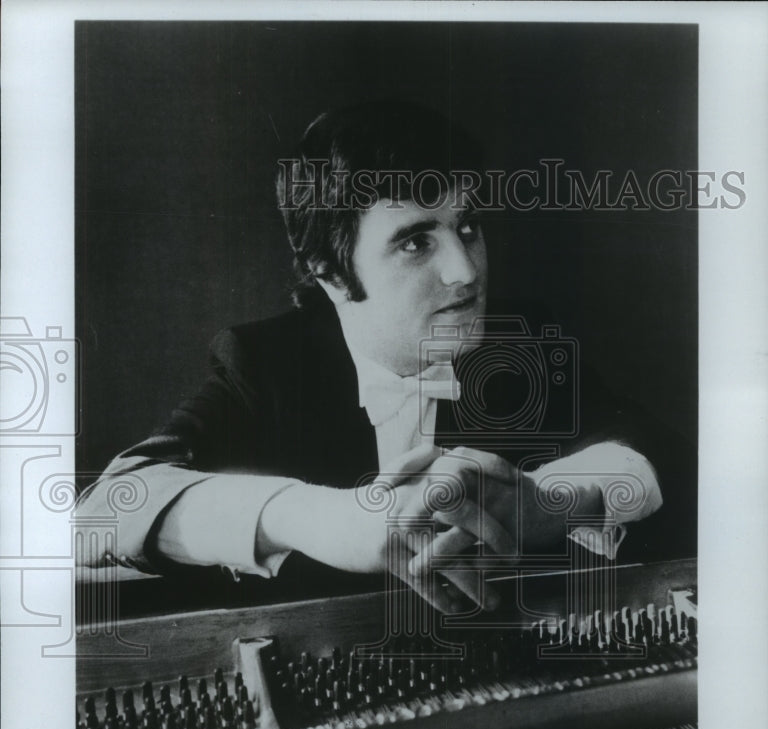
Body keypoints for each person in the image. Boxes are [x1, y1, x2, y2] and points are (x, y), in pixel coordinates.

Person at [77, 101, 693, 612]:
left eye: (468, 226)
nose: (464, 270)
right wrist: (320, 519)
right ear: (331, 274)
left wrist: (553, 500)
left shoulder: (522, 342)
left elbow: (665, 456)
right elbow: (103, 510)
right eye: (415, 241)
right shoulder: (264, 364)